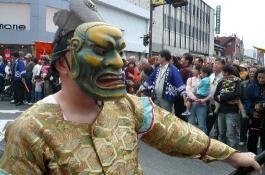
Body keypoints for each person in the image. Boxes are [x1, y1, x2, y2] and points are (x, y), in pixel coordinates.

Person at [0, 0, 262, 174]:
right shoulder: (29, 130)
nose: (118, 62)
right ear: (63, 64)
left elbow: (178, 134)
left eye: (119, 52)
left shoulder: (126, 106)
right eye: (102, 51)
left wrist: (231, 156)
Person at [214, 65, 241, 148]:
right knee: (221, 133)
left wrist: (222, 97)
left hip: (232, 112)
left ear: (227, 72)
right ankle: (221, 151)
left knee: (231, 134)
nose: (222, 73)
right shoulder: (221, 81)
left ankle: (233, 154)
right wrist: (224, 99)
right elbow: (215, 96)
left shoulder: (237, 81)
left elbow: (237, 94)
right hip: (221, 110)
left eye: (223, 72)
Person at [245, 67, 265, 154]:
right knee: (253, 137)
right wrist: (252, 111)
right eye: (259, 77)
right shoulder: (251, 87)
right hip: (254, 116)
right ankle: (252, 156)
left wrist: (262, 104)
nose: (261, 79)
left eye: (263, 77)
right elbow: (246, 100)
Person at [187, 66, 211, 134]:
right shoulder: (191, 79)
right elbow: (189, 90)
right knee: (190, 123)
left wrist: (204, 100)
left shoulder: (206, 80)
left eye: (194, 69)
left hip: (202, 104)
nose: (192, 70)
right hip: (193, 104)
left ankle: (203, 141)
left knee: (202, 125)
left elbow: (210, 93)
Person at [239, 66, 257, 146]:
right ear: (248, 73)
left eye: (254, 72)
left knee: (254, 126)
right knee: (243, 124)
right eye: (251, 72)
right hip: (244, 108)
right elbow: (240, 96)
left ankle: (252, 141)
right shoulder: (243, 83)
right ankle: (243, 139)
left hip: (255, 108)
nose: (252, 73)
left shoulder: (260, 84)